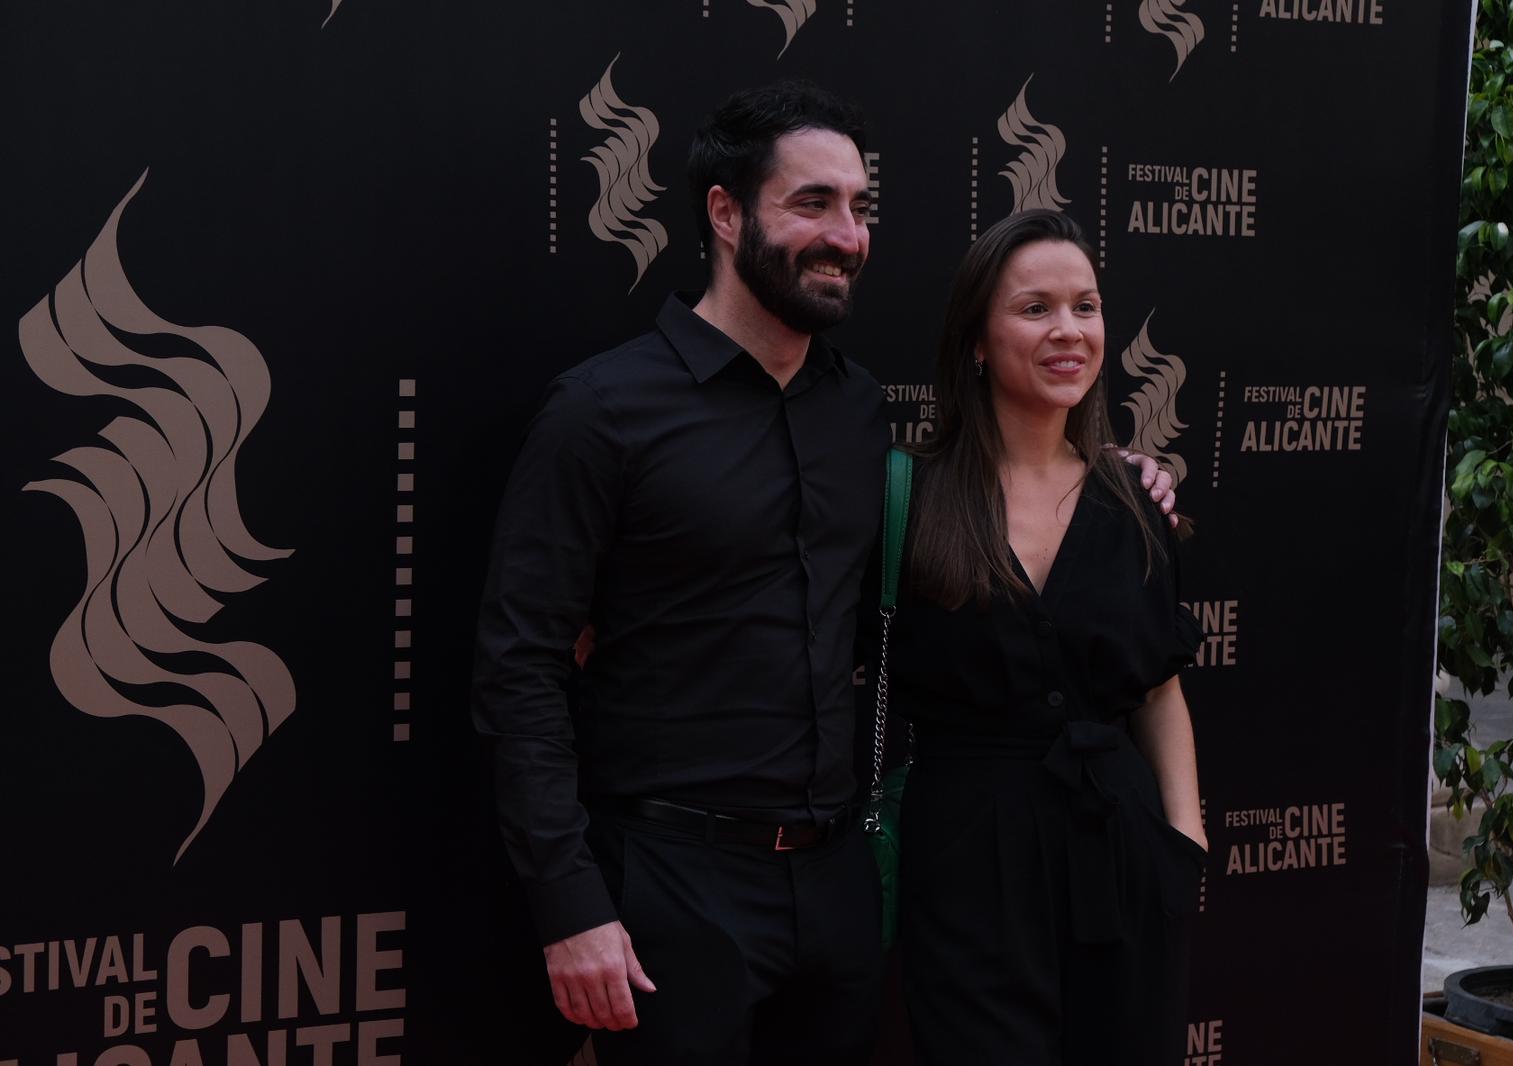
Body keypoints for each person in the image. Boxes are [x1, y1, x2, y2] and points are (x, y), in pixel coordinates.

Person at [472, 81, 1178, 1065]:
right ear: (724, 213)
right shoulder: (600, 412)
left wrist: (1122, 475)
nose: (846, 234)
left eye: (858, 207)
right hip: (671, 886)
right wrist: (569, 904)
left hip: (840, 888)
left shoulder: (855, 417)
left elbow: (1004, 523)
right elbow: (520, 672)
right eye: (812, 203)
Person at [888, 209, 1205, 1066]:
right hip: (967, 858)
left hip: (1123, 851)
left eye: (1087, 306)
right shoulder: (909, 499)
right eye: (1035, 308)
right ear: (979, 340)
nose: (1069, 330)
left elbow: (1159, 688)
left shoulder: (1135, 498)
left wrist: (1185, 843)